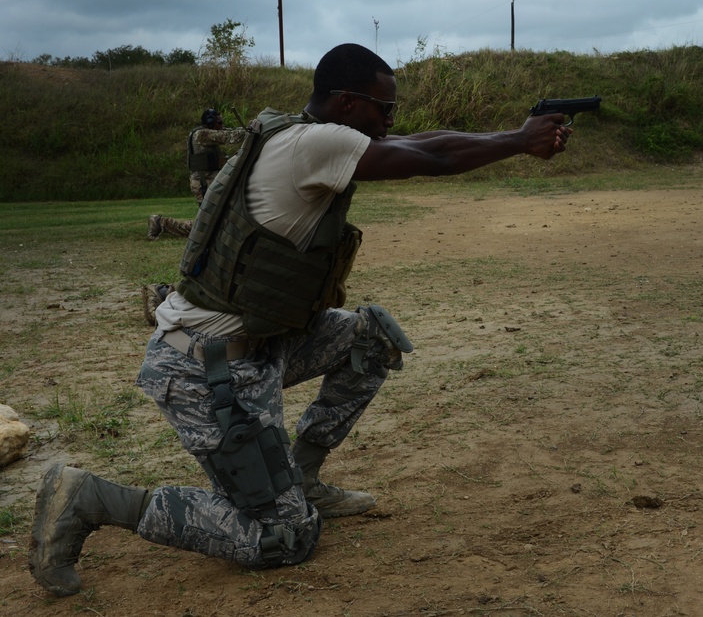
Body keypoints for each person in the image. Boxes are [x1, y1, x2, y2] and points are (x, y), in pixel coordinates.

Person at [30, 43, 573, 597]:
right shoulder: (314, 143)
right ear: (344, 102)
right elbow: (430, 158)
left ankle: (302, 478)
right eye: (382, 109)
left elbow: (419, 143)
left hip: (261, 346)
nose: (390, 122)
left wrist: (514, 135)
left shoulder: (303, 134)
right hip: (206, 370)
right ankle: (91, 499)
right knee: (283, 537)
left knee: (370, 336)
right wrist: (519, 142)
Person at [147, 108, 245, 240]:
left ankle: (160, 223)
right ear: (210, 123)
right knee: (207, 226)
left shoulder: (206, 133)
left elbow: (228, 131)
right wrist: (251, 131)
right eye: (219, 123)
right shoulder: (202, 134)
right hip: (203, 183)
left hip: (208, 181)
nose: (222, 126)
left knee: (214, 221)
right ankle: (161, 223)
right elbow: (230, 136)